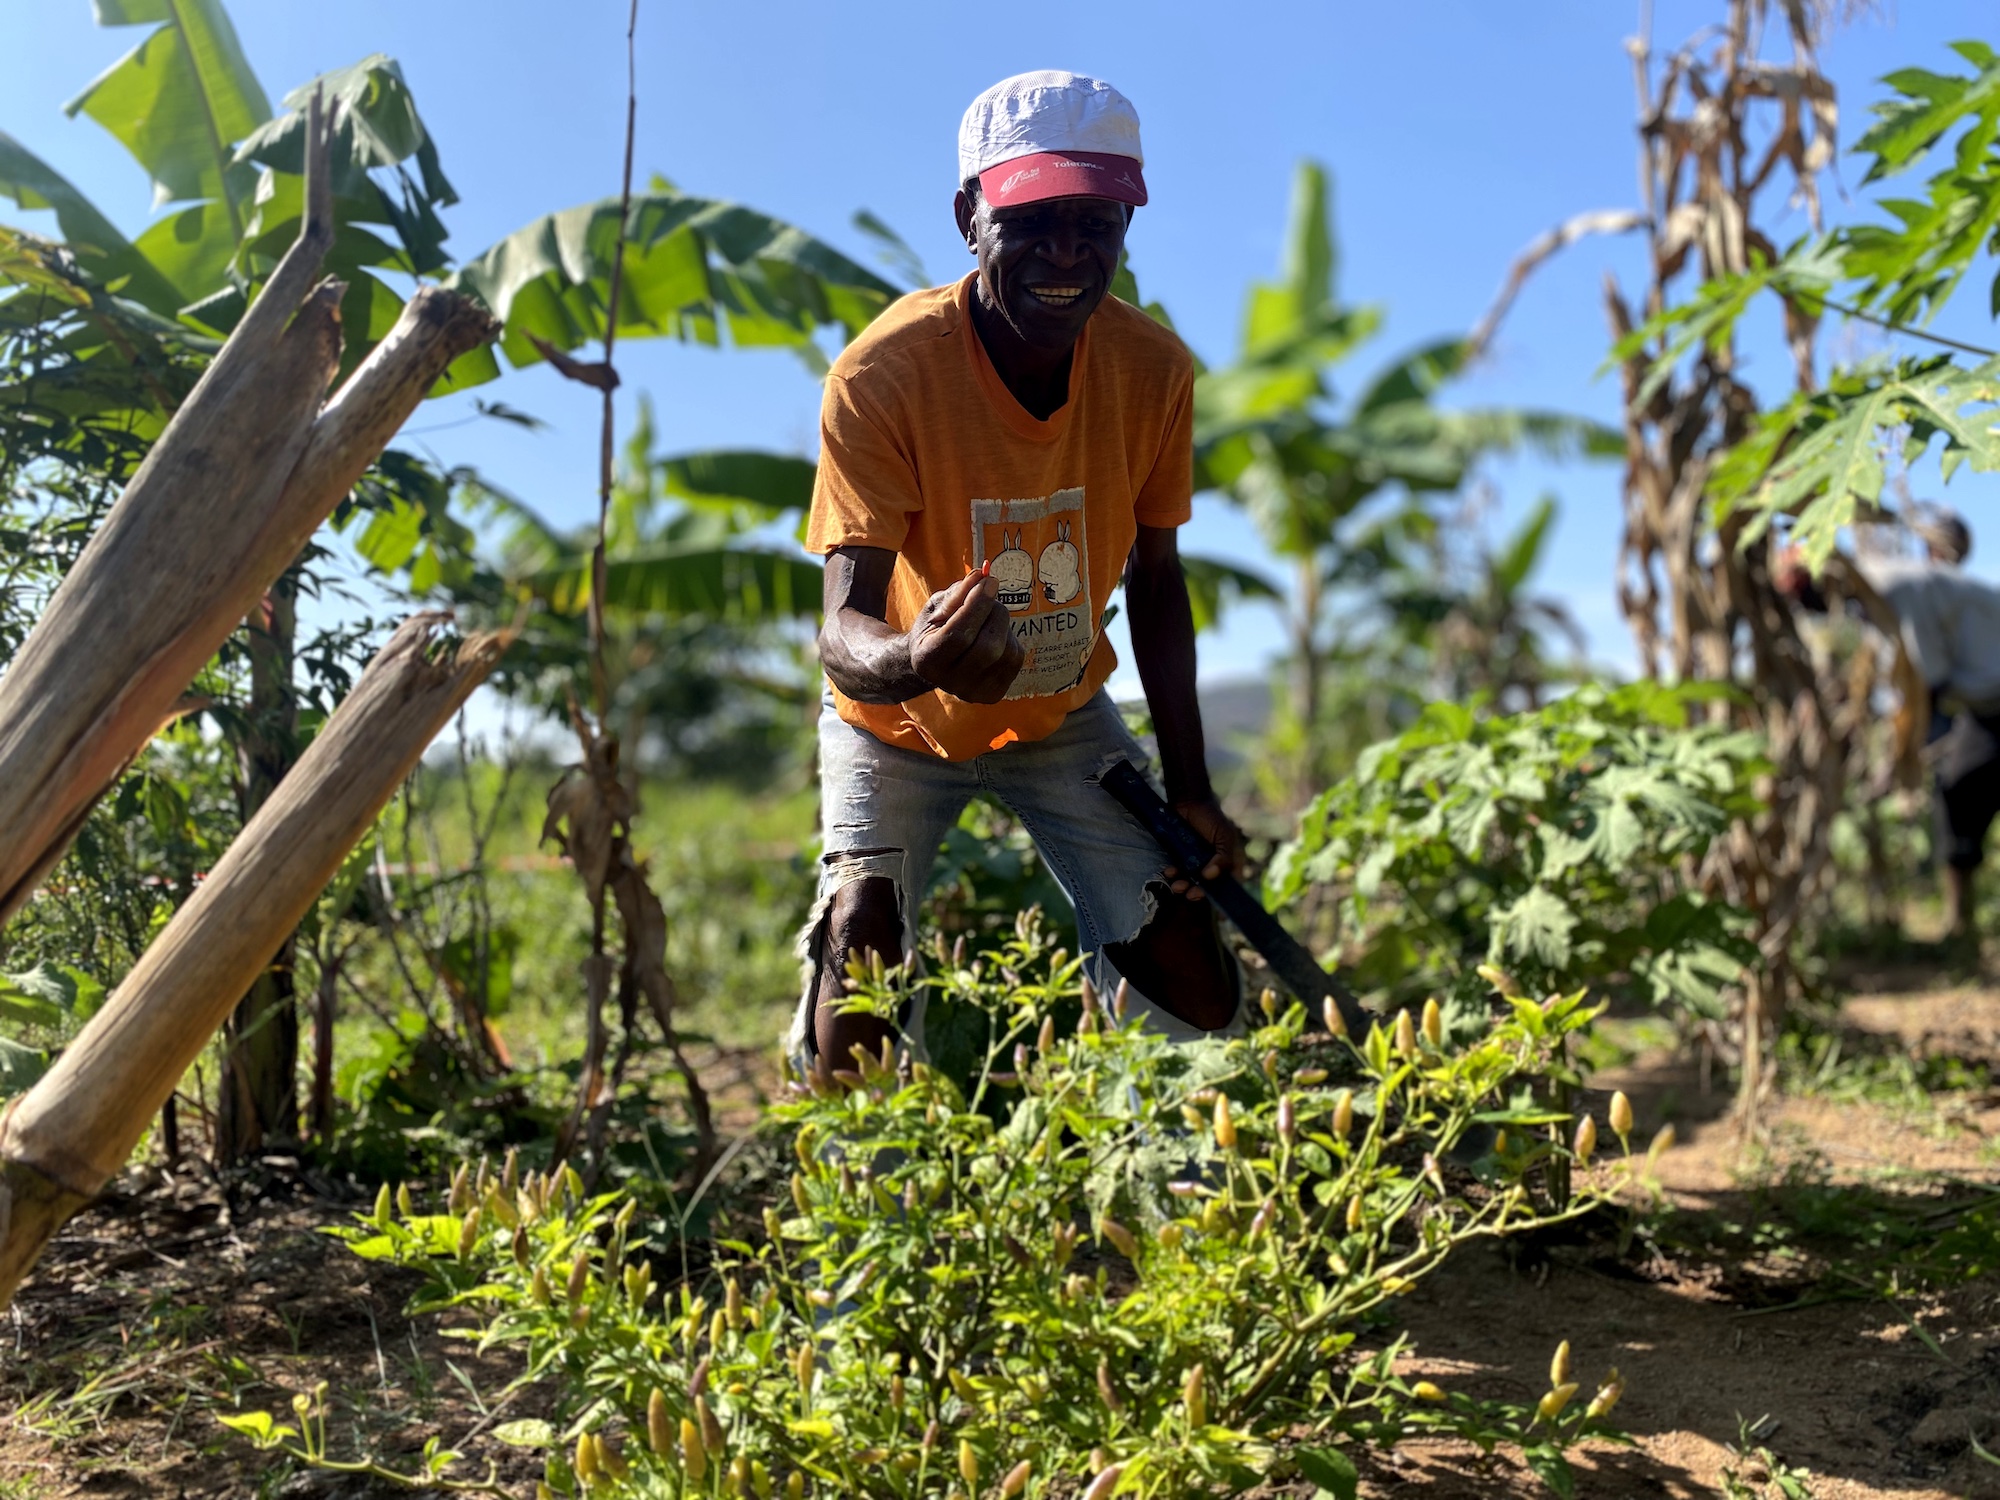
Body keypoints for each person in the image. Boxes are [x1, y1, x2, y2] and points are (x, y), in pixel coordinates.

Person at [788, 70, 1244, 1078]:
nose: (1066, 254)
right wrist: (916, 659)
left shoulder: (1152, 371)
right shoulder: (885, 373)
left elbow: (1158, 584)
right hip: (891, 724)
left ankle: (1185, 1191)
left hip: (1062, 714)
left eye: (1095, 224)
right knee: (858, 957)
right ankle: (868, 1198)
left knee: (1184, 958)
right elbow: (841, 624)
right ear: (968, 217)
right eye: (1031, 222)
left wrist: (1194, 790)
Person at [1782, 507, 2000, 943]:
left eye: (1810, 594)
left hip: (1993, 701)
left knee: (1957, 790)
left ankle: (1960, 927)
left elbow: (1925, 686)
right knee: (1959, 792)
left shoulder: (1895, 587)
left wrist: (1901, 761)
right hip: (1984, 703)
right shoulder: (1881, 589)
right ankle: (1963, 923)